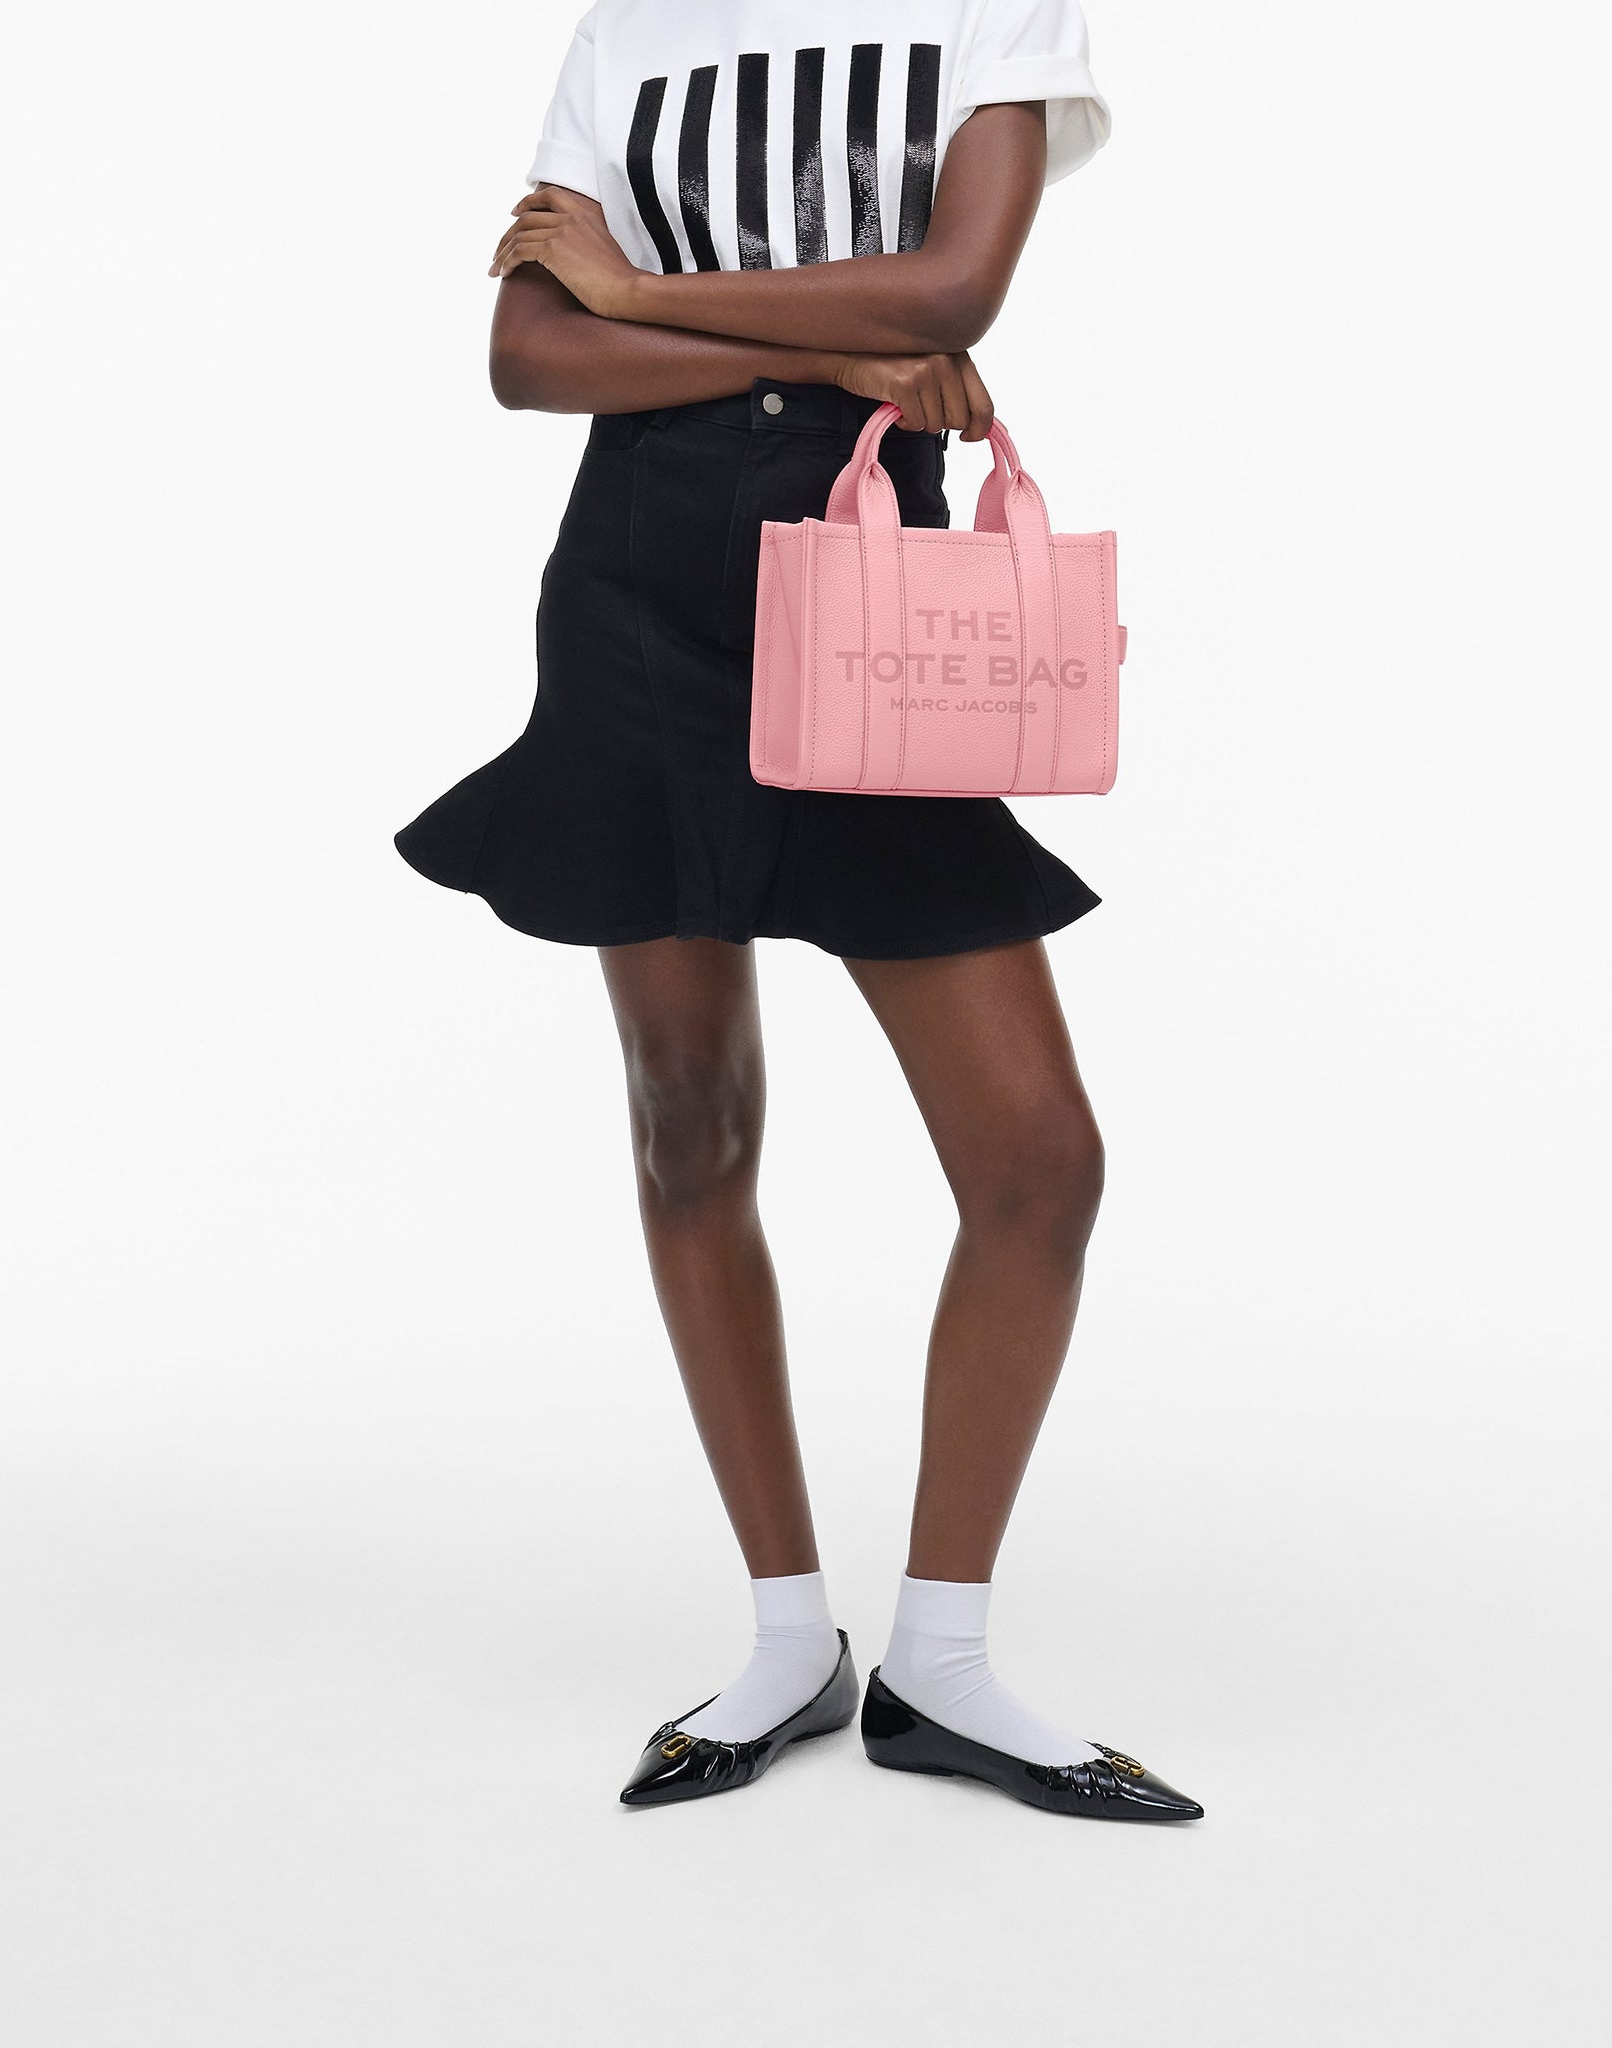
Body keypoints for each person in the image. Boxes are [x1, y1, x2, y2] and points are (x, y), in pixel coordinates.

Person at [396, 0, 1202, 1822]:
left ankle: (943, 1668)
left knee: (1037, 1162)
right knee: (691, 1122)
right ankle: (785, 1644)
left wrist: (639, 289)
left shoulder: (990, 14)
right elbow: (528, 354)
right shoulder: (629, 36)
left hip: (868, 604)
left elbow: (952, 291)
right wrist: (836, 348)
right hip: (634, 604)